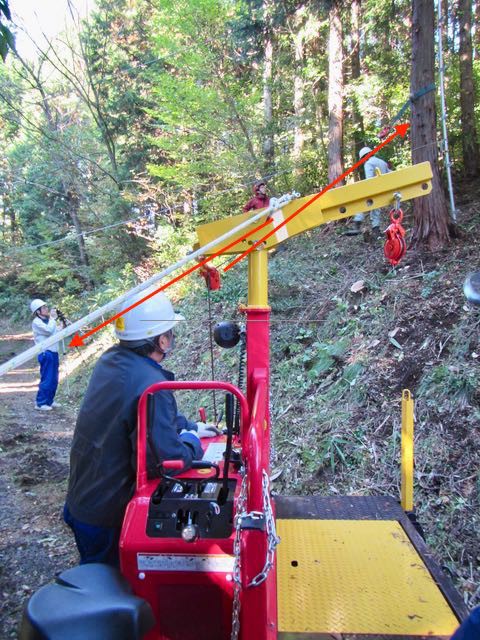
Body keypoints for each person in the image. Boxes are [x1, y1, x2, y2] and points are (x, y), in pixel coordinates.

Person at [63, 287, 219, 566]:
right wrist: (193, 443)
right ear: (162, 341)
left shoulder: (111, 361)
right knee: (112, 592)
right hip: (107, 518)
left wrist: (192, 426)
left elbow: (138, 413)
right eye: (170, 333)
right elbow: (168, 460)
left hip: (83, 500)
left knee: (98, 580)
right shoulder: (152, 385)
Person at [348, 146, 391, 238]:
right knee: (376, 209)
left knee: (361, 203)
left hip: (374, 189)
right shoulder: (382, 162)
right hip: (383, 189)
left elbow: (369, 180)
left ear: (364, 157)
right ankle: (376, 231)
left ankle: (357, 225)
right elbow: (391, 174)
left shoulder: (368, 163)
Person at [30, 298, 61, 411]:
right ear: (38, 311)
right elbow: (48, 331)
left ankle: (49, 400)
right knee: (47, 378)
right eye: (44, 307)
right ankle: (41, 402)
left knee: (54, 378)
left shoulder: (49, 321)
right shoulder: (37, 322)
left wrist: (61, 325)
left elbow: (55, 331)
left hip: (54, 352)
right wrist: (53, 318)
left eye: (46, 307)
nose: (46, 309)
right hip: (45, 353)